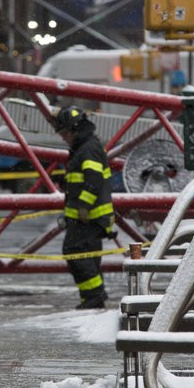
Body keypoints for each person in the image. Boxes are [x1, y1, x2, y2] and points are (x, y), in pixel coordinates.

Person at [53, 105, 116, 309]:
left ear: (74, 129)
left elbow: (94, 181)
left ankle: (94, 297)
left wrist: (83, 206)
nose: (63, 137)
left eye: (64, 132)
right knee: (88, 256)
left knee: (75, 252)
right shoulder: (85, 147)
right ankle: (90, 299)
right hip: (88, 217)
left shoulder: (87, 148)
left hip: (89, 216)